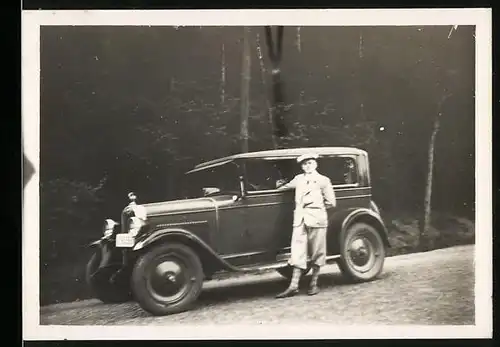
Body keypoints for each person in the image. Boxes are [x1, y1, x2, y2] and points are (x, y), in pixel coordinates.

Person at [275, 153, 336, 298]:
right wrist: (279, 184)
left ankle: (314, 284)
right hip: (300, 220)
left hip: (316, 219)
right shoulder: (298, 179)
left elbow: (331, 202)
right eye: (304, 164)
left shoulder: (323, 180)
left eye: (309, 163)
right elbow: (284, 187)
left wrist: (316, 209)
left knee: (317, 252)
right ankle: (293, 286)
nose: (307, 166)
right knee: (297, 252)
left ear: (315, 164)